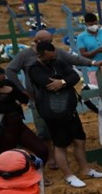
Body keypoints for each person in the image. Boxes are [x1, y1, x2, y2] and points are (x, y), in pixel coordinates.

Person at [6, 30, 97, 169]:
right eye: (46, 41)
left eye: (50, 40)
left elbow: (74, 62)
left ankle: (66, 156)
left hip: (63, 100)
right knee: (44, 130)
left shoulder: (55, 54)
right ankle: (50, 157)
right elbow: (11, 70)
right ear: (36, 42)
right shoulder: (26, 57)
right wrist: (21, 90)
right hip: (39, 99)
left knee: (67, 131)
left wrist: (91, 63)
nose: (50, 43)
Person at [27, 41, 102, 188]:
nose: (53, 59)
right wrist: (64, 81)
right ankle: (68, 175)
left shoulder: (59, 62)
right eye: (49, 57)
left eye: (54, 56)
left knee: (79, 140)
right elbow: (47, 84)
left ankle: (85, 169)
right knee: (60, 144)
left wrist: (62, 82)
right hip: (53, 113)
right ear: (40, 55)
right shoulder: (34, 69)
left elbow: (74, 76)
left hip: (69, 108)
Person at [0, 63, 48, 162]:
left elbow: (24, 99)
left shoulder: (8, 83)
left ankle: (35, 174)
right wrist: (14, 104)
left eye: (3, 77)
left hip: (18, 124)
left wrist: (12, 91)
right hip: (2, 128)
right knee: (8, 159)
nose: (3, 80)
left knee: (42, 150)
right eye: (0, 78)